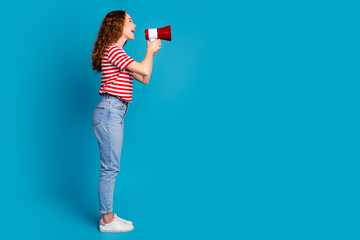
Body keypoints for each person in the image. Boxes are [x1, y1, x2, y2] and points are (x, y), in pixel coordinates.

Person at [90, 10, 161, 232]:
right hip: (110, 111)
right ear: (118, 25)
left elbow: (145, 77)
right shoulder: (113, 49)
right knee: (110, 168)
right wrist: (149, 52)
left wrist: (151, 55)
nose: (135, 24)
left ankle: (109, 215)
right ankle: (107, 221)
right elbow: (143, 68)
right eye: (130, 21)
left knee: (111, 167)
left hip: (115, 112)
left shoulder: (118, 54)